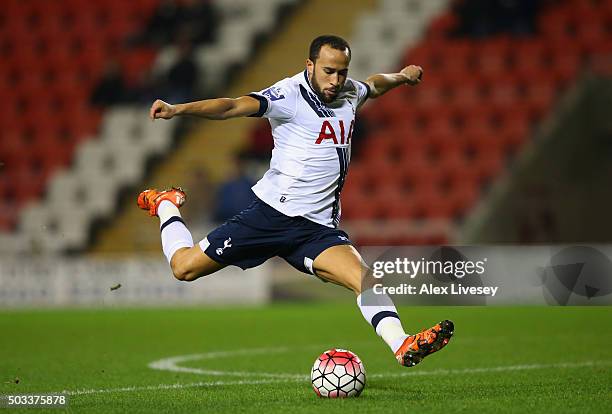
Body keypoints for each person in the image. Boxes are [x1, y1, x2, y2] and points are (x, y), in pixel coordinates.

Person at [138, 35, 453, 367]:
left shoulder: (348, 92)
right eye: (329, 71)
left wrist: (402, 76)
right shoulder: (288, 95)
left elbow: (374, 85)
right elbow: (232, 105)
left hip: (317, 229)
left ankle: (401, 344)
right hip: (271, 216)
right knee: (183, 269)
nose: (336, 80)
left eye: (342, 72)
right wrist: (177, 109)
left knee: (365, 278)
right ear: (310, 65)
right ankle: (166, 204)